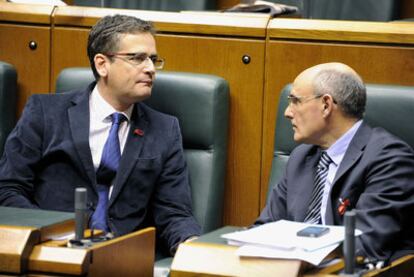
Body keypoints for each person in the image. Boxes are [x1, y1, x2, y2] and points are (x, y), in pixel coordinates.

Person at [0, 14, 201, 255]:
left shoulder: (164, 130)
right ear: (102, 64)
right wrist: (48, 236)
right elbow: (9, 189)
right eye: (137, 58)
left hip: (123, 259)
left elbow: (174, 212)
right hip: (51, 251)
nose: (150, 69)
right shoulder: (45, 113)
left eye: (153, 59)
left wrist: (191, 245)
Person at [255, 62, 414, 263]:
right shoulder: (300, 158)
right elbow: (264, 229)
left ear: (326, 105)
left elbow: (364, 246)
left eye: (295, 101)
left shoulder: (389, 159)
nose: (287, 112)